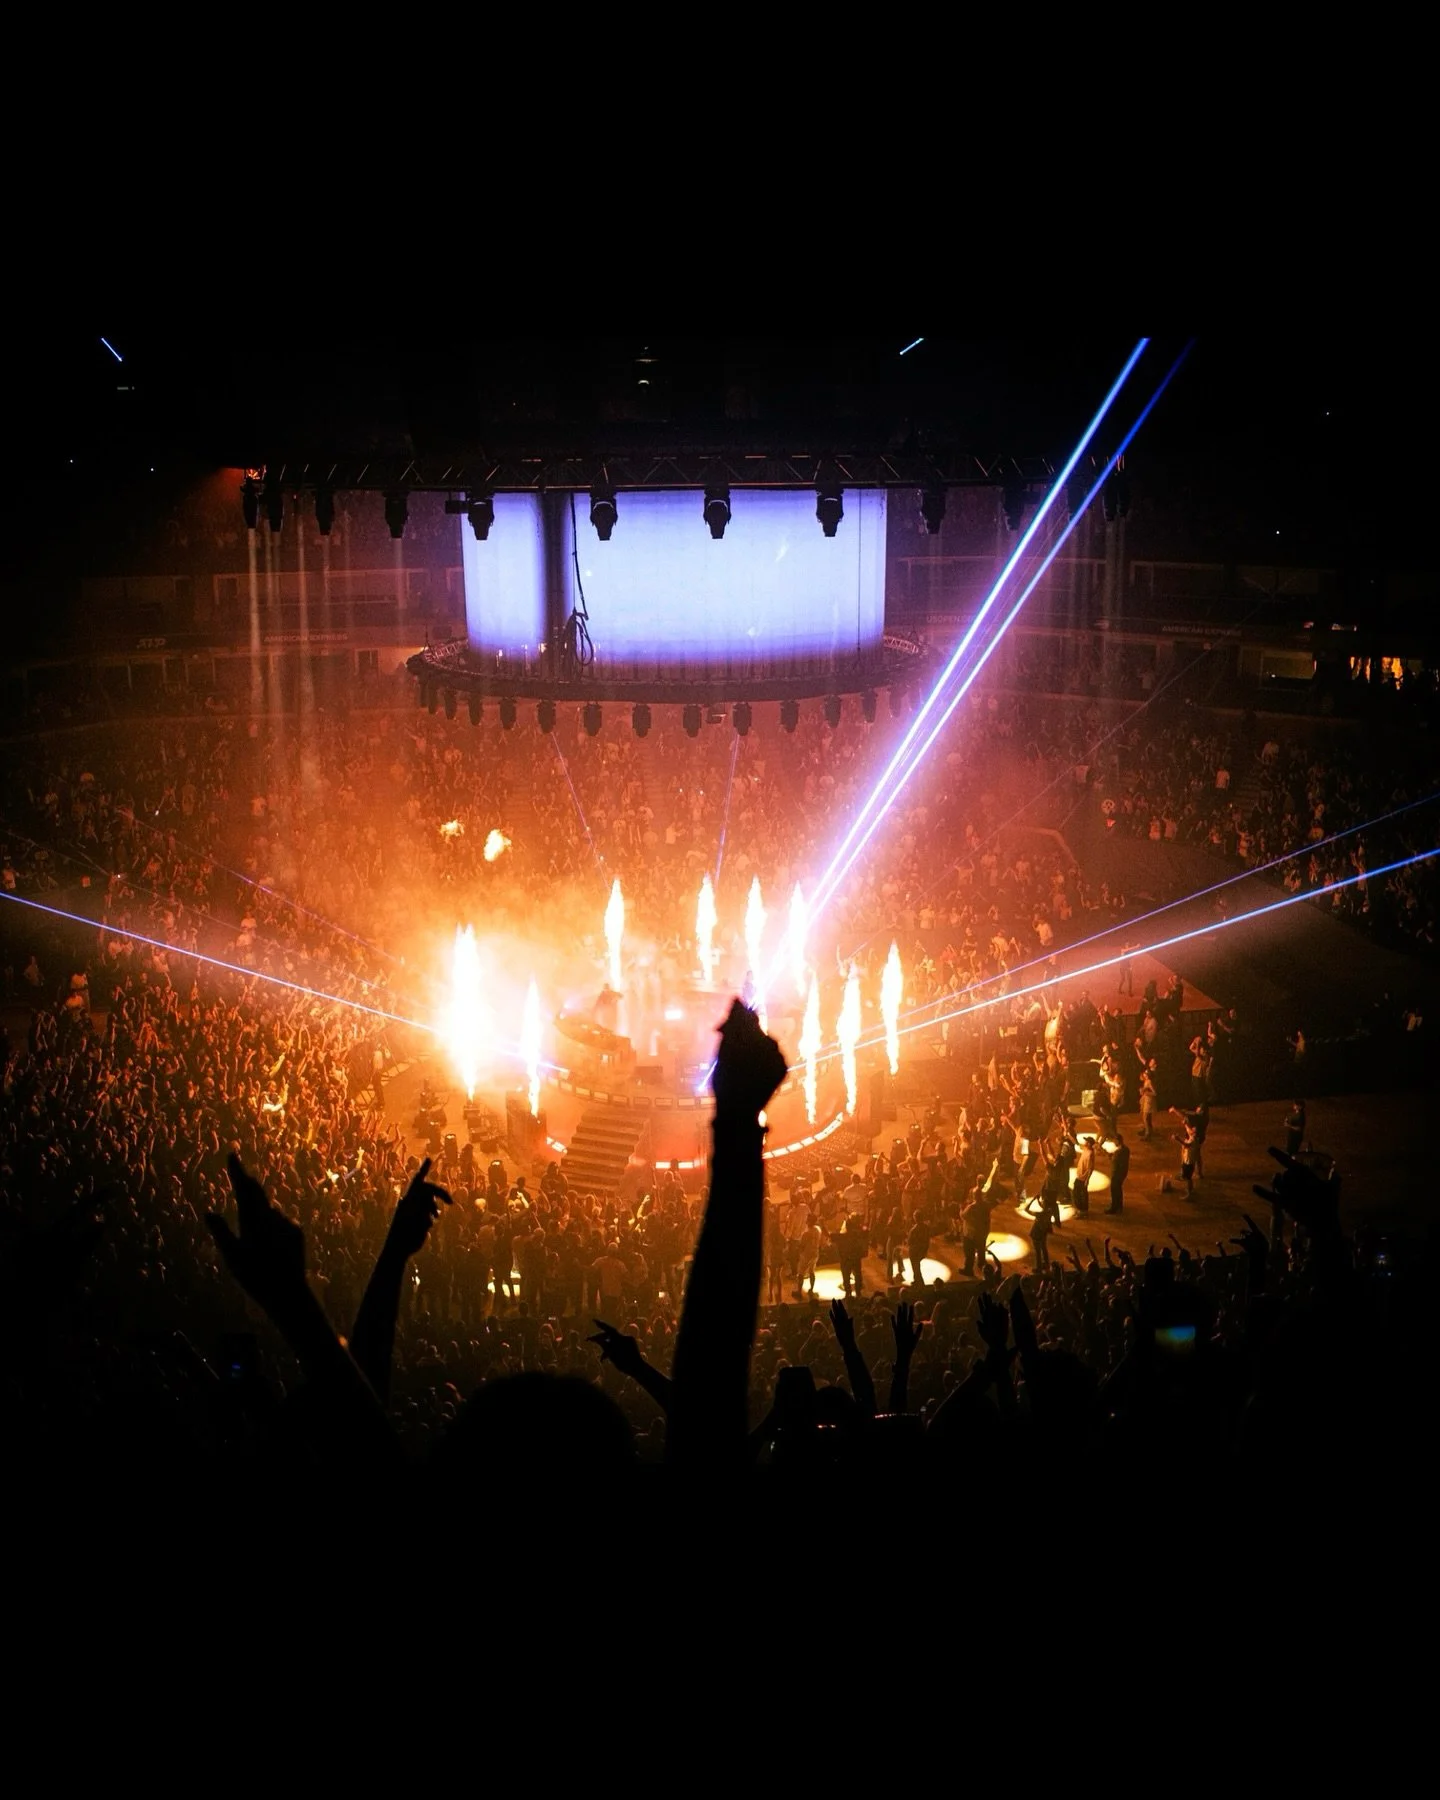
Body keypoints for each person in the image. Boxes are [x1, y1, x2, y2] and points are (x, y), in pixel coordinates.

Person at [1107, 1131, 1129, 1215]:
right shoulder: (1126, 1149)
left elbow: (1114, 1161)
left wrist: (1111, 1156)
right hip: (1122, 1173)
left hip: (1117, 1174)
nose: (1114, 1143)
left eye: (1114, 1141)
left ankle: (1114, 1207)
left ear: (1118, 1141)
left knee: (1114, 1190)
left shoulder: (1119, 1152)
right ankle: (1119, 1206)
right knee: (1118, 1190)